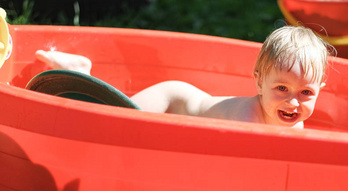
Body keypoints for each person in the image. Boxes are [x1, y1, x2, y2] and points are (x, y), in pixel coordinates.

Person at [36, 26, 332, 129]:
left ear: (320, 89)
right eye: (281, 88)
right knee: (115, 117)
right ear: (258, 82)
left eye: (306, 93)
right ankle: (80, 71)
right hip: (174, 98)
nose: (293, 101)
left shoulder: (295, 121)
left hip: (187, 108)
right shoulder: (248, 120)